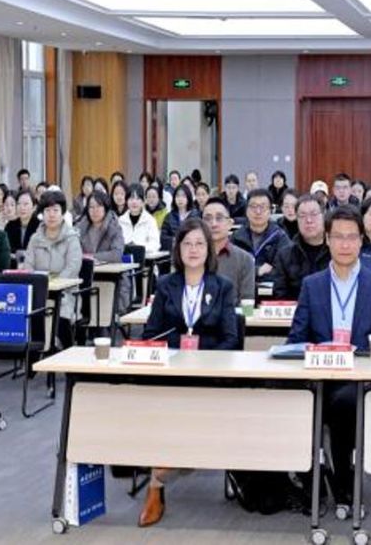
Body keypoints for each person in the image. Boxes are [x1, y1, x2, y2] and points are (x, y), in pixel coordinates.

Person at [288, 205, 371, 511]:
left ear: (361, 241)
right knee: (301, 400)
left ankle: (340, 480)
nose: (345, 244)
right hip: (320, 378)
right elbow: (295, 340)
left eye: (352, 237)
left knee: (344, 403)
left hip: (362, 381)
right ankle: (323, 477)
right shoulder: (312, 285)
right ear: (327, 239)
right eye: (338, 237)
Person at [136, 217, 242, 526]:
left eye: (199, 244)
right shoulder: (166, 286)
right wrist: (179, 351)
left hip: (210, 375)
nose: (193, 250)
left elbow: (231, 339)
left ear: (208, 249)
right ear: (178, 249)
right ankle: (157, 482)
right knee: (157, 407)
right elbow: (151, 334)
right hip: (171, 372)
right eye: (187, 244)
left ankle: (160, 477)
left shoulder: (222, 287)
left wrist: (202, 358)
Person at [271, 195, 330, 299]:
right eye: (302, 215)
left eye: (313, 214)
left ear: (323, 215)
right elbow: (280, 296)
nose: (309, 220)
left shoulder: (337, 251)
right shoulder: (285, 256)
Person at [200, 198, 257, 300]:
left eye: (219, 218)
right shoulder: (191, 256)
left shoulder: (245, 259)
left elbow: (247, 302)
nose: (213, 224)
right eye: (208, 219)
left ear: (230, 224)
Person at [20, 192, 84, 281]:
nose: (51, 215)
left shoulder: (72, 238)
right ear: (42, 214)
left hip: (65, 287)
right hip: (39, 286)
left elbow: (72, 269)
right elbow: (28, 266)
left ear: (62, 213)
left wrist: (54, 284)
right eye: (47, 210)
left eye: (55, 210)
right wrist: (38, 283)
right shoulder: (35, 239)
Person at [237, 189, 292, 277]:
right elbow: (231, 269)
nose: (258, 212)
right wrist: (257, 271)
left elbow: (284, 270)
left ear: (270, 211)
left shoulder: (280, 238)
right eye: (253, 207)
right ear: (246, 211)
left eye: (262, 207)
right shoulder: (237, 237)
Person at [78, 191, 127, 260]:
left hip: (108, 267)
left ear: (105, 208)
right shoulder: (82, 227)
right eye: (91, 207)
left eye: (98, 206)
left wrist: (91, 257)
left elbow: (117, 254)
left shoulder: (114, 227)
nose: (95, 210)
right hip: (85, 266)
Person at [118, 186, 162, 251]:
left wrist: (137, 247)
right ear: (126, 201)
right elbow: (116, 243)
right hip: (124, 256)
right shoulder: (120, 220)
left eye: (138, 199)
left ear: (143, 202)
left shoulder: (150, 220)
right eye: (131, 199)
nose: (134, 202)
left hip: (145, 256)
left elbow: (155, 244)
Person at [4, 189, 40, 258]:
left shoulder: (40, 226)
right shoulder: (10, 226)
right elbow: (6, 249)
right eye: (19, 204)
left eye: (26, 204)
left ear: (34, 207)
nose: (22, 207)